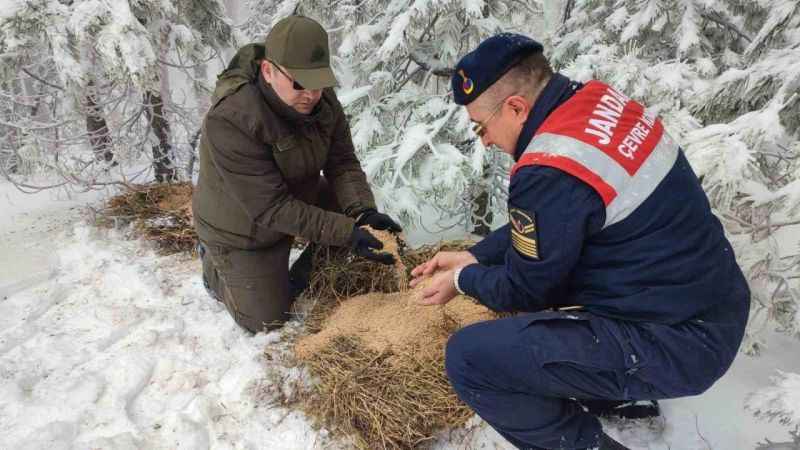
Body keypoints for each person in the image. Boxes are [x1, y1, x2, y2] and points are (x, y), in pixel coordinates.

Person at [409, 33, 750, 450]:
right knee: (567, 271)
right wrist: (475, 253)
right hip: (711, 304)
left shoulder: (547, 168)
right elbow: (563, 220)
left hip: (678, 343)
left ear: (516, 108)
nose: (486, 141)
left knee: (470, 358)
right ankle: (623, 398)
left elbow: (524, 288)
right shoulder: (596, 103)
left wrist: (465, 279)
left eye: (482, 126)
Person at [192, 15, 401, 334]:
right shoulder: (232, 120)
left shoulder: (319, 99)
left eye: (319, 83)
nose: (312, 95)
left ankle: (294, 270)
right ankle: (214, 265)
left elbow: (342, 163)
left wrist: (363, 213)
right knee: (266, 320)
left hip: (295, 195)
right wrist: (346, 232)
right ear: (268, 71)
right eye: (300, 83)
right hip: (242, 229)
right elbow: (270, 208)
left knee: (344, 223)